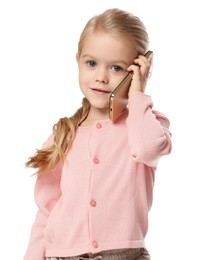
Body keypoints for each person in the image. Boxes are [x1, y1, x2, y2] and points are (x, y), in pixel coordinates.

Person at [23, 8, 172, 260]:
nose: (101, 77)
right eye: (91, 63)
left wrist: (137, 95)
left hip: (125, 254)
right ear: (78, 60)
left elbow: (148, 148)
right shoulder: (65, 134)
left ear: (137, 70)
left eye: (116, 68)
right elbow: (46, 211)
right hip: (62, 255)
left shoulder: (147, 122)